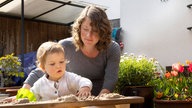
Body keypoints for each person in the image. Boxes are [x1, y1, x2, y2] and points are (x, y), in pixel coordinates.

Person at [23, 5, 121, 96]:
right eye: (85, 29)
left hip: (99, 97)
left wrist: (99, 101)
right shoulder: (65, 46)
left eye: (95, 31)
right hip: (72, 100)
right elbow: (42, 70)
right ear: (79, 28)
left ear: (103, 31)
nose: (88, 35)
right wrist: (21, 95)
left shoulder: (112, 48)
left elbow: (110, 79)